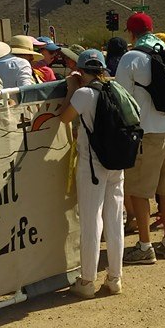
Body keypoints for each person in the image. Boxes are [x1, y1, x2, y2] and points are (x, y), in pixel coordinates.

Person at [116, 13, 165, 264]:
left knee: (140, 190)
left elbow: (122, 97)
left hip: (147, 132)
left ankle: (145, 246)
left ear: (131, 33)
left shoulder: (131, 58)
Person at [58, 49, 125, 298]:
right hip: (116, 161)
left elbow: (64, 118)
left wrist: (71, 89)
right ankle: (115, 278)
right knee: (114, 220)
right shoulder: (116, 90)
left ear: (81, 70)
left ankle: (87, 281)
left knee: (91, 220)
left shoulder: (85, 94)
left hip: (92, 164)